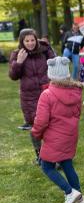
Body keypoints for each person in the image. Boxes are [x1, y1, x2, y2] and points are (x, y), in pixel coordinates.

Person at [31, 56, 84, 203]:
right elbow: (77, 113)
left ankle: (70, 192)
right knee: (66, 163)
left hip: (54, 137)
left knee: (46, 165)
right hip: (70, 135)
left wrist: (35, 132)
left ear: (51, 75)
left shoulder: (47, 95)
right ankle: (80, 200)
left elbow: (41, 121)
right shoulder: (75, 92)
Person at [9, 29, 55, 162]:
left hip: (47, 93)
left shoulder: (44, 51)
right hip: (29, 97)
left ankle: (52, 155)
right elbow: (13, 76)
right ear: (22, 42)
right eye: (27, 41)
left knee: (51, 125)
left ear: (36, 40)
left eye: (32, 40)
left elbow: (55, 65)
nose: (30, 43)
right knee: (35, 126)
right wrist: (19, 62)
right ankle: (39, 156)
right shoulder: (18, 54)